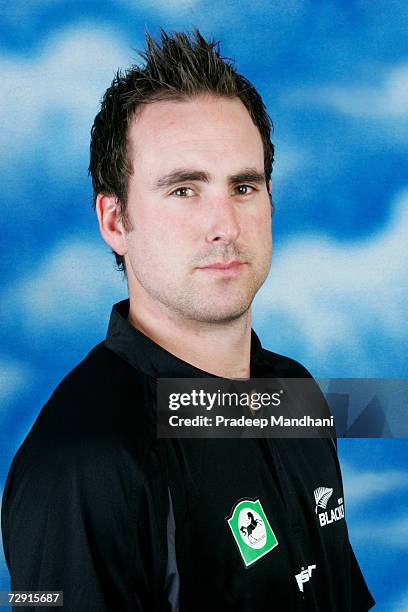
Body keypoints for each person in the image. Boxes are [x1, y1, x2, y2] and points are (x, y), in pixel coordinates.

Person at [1, 29, 375, 611]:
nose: (224, 223)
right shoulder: (80, 463)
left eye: (244, 186)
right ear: (114, 221)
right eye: (183, 190)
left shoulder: (297, 396)